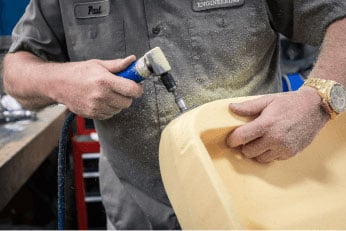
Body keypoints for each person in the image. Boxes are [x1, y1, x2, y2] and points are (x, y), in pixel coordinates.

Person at [3, 1, 346, 229]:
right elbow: (17, 68)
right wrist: (60, 81)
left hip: (250, 208)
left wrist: (318, 99)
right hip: (135, 213)